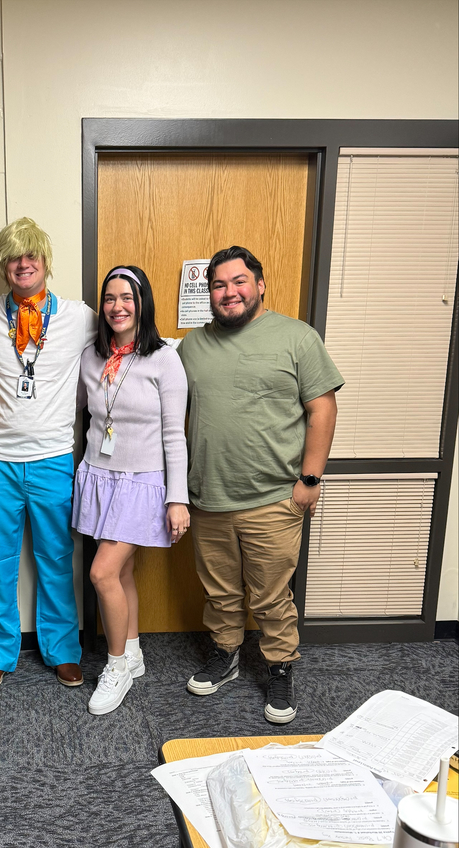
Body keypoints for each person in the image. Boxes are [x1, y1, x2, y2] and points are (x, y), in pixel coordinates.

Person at [177, 245, 344, 725]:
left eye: (239, 282)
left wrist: (310, 479)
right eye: (218, 285)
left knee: (271, 597)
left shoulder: (297, 337)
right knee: (220, 592)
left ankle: (279, 667)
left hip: (273, 498)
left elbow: (323, 408)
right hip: (208, 497)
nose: (228, 292)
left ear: (260, 285)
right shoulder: (191, 346)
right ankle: (226, 655)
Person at [0, 218, 98, 692]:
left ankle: (63, 650)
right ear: (3, 266)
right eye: (13, 258)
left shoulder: (78, 316)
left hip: (53, 458)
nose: (23, 264)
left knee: (56, 558)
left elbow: (129, 336)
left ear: (45, 261)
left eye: (31, 255)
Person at [73, 266, 189, 715]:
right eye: (110, 298)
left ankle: (117, 665)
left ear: (143, 304)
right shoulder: (91, 356)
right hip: (99, 476)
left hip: (141, 483)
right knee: (121, 574)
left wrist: (176, 498)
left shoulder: (164, 359)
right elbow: (78, 413)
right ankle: (134, 651)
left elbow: (174, 435)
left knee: (101, 574)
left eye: (127, 298)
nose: (117, 306)